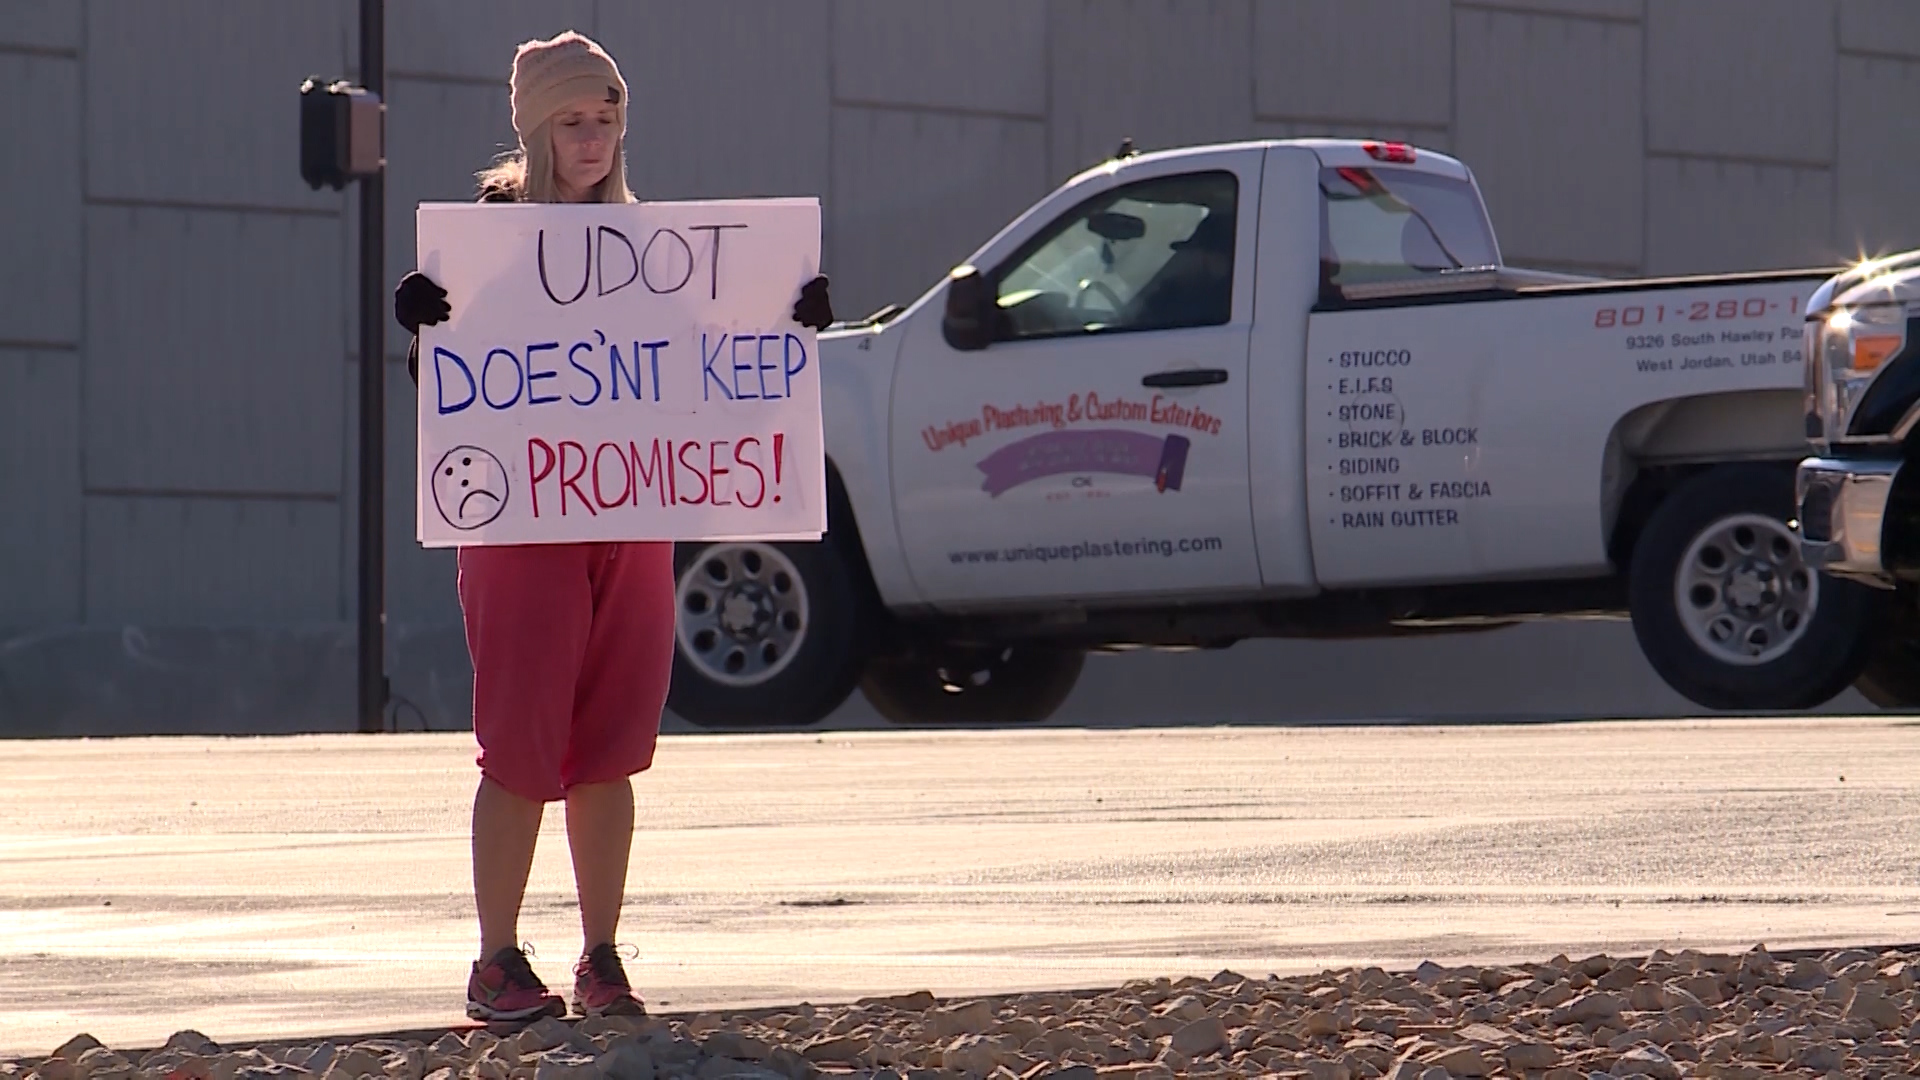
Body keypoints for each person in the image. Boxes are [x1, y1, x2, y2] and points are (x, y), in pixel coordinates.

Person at [391, 30, 835, 1022]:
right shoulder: (490, 237)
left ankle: (601, 958)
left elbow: (710, 385)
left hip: (631, 518)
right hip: (522, 527)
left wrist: (788, 328)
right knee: (519, 741)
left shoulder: (652, 250)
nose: (593, 140)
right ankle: (496, 962)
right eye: (572, 121)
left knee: (614, 743)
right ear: (536, 127)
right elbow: (453, 393)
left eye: (607, 119)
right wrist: (426, 330)